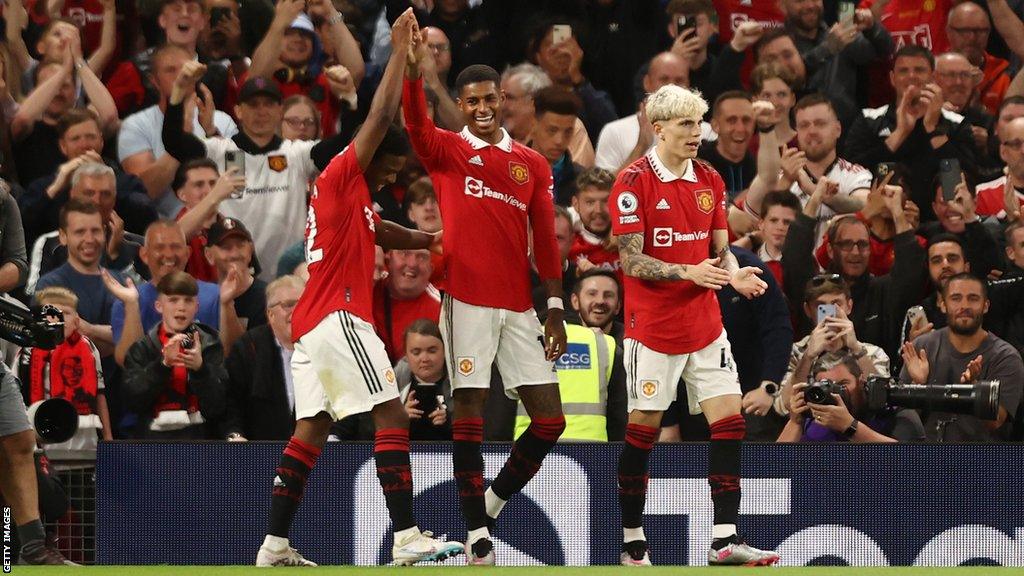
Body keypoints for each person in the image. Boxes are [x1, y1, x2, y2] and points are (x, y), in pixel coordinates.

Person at [256, 11, 462, 567]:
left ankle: (273, 545)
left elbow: (385, 230)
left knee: (311, 431)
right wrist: (398, 54)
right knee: (392, 417)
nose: (395, 177)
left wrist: (431, 237)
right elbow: (378, 116)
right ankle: (406, 537)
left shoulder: (351, 202)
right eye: (392, 167)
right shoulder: (345, 173)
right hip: (341, 317)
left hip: (311, 326)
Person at [404, 24, 569, 560]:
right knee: (469, 406)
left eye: (489, 98)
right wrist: (412, 71)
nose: (481, 107)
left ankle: (489, 505)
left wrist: (554, 307)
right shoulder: (448, 151)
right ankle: (477, 535)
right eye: (471, 100)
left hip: (520, 305)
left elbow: (545, 241)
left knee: (550, 420)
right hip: (467, 297)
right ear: (460, 102)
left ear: (503, 100)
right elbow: (413, 122)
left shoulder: (533, 164)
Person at [607, 84, 777, 566]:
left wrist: (732, 270)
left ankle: (724, 539)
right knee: (644, 428)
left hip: (704, 323)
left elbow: (718, 247)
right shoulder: (632, 181)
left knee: (729, 421)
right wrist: (688, 271)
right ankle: (632, 536)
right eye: (685, 124)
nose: (696, 133)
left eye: (698, 123)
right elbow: (631, 261)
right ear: (658, 128)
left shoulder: (709, 179)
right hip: (653, 327)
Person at [900, 273, 1024, 441]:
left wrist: (976, 389)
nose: (964, 305)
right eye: (956, 298)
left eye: (973, 298)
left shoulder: (1006, 357)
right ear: (943, 305)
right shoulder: (922, 347)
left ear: (985, 306)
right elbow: (903, 420)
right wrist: (918, 386)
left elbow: (995, 422)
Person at [122, 270, 227, 439]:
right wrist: (163, 365)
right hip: (152, 444)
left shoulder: (210, 344)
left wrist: (200, 369)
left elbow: (219, 407)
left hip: (201, 443)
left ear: (196, 307)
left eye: (188, 301)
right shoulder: (142, 348)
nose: (181, 307)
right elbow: (133, 403)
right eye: (173, 300)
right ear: (159, 306)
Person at [17, 286, 112, 450]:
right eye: (52, 312)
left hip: (84, 434)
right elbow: (16, 396)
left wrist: (108, 436)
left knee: (82, 474)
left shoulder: (88, 348)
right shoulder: (28, 351)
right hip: (41, 431)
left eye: (66, 313)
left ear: (76, 320)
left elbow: (99, 394)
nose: (59, 318)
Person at [223, 275, 305, 441]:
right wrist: (235, 434)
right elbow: (231, 404)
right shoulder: (247, 348)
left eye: (302, 304)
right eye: (288, 305)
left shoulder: (323, 346)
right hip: (258, 451)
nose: (296, 311)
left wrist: (334, 437)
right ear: (270, 314)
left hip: (316, 452)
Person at [777, 354, 925, 442]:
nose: (834, 393)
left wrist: (850, 427)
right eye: (826, 386)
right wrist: (795, 422)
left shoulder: (893, 413)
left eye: (843, 384)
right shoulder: (812, 418)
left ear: (861, 382)